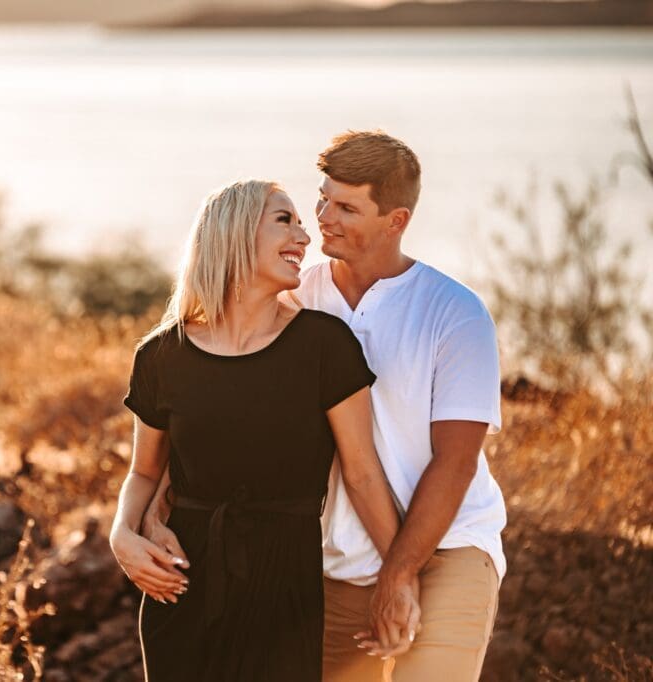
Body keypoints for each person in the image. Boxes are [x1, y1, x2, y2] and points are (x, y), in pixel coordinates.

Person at [143, 131, 506, 681]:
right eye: (323, 199)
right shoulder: (293, 296)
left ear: (396, 220)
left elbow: (455, 462)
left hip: (447, 550)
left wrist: (401, 572)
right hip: (333, 559)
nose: (323, 219)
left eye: (346, 207)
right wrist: (151, 510)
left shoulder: (454, 313)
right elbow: (221, 404)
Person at [108, 179, 416, 681]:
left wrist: (402, 580)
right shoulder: (162, 356)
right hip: (181, 587)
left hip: (285, 591)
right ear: (233, 232)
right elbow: (144, 473)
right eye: (284, 220)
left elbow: (362, 476)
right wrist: (122, 535)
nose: (304, 237)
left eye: (300, 223)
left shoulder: (324, 347)